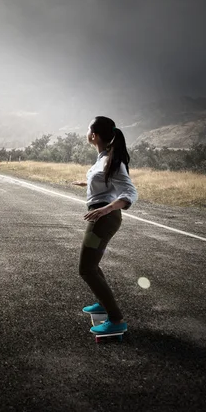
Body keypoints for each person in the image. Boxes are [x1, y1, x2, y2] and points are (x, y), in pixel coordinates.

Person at [71, 116, 138, 335]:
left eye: (88, 129)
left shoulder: (112, 160)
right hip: (99, 217)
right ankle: (102, 304)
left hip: (103, 219)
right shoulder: (103, 158)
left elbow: (130, 193)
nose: (86, 133)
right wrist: (87, 183)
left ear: (94, 135)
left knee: (86, 268)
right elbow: (105, 182)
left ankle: (116, 320)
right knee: (93, 264)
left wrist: (106, 209)